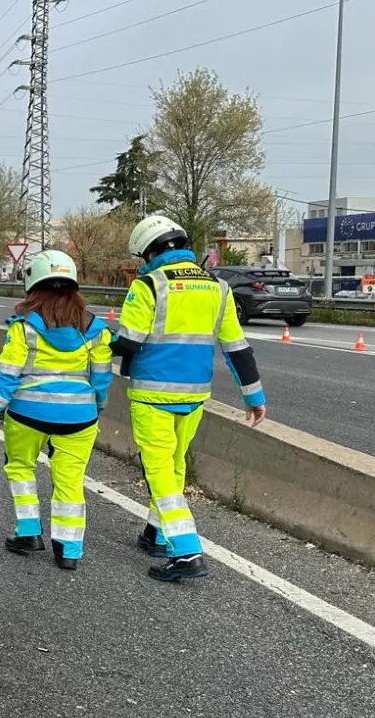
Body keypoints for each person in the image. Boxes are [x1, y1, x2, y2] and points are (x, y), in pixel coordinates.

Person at [112, 215, 267, 582]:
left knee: (160, 471)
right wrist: (253, 395)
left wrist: (96, 338)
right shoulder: (219, 288)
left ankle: (186, 552)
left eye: (142, 256)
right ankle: (156, 534)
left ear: (150, 251)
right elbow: (237, 348)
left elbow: (127, 343)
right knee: (176, 462)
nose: (142, 263)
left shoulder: (149, 285)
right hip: (195, 394)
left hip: (152, 394)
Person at [0, 251, 114, 570]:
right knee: (69, 479)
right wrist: (99, 403)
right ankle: (68, 550)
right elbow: (102, 375)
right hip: (79, 418)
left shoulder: (23, 328)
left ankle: (28, 533)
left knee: (20, 467)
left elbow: (8, 374)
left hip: (28, 413)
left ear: (32, 286)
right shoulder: (95, 329)